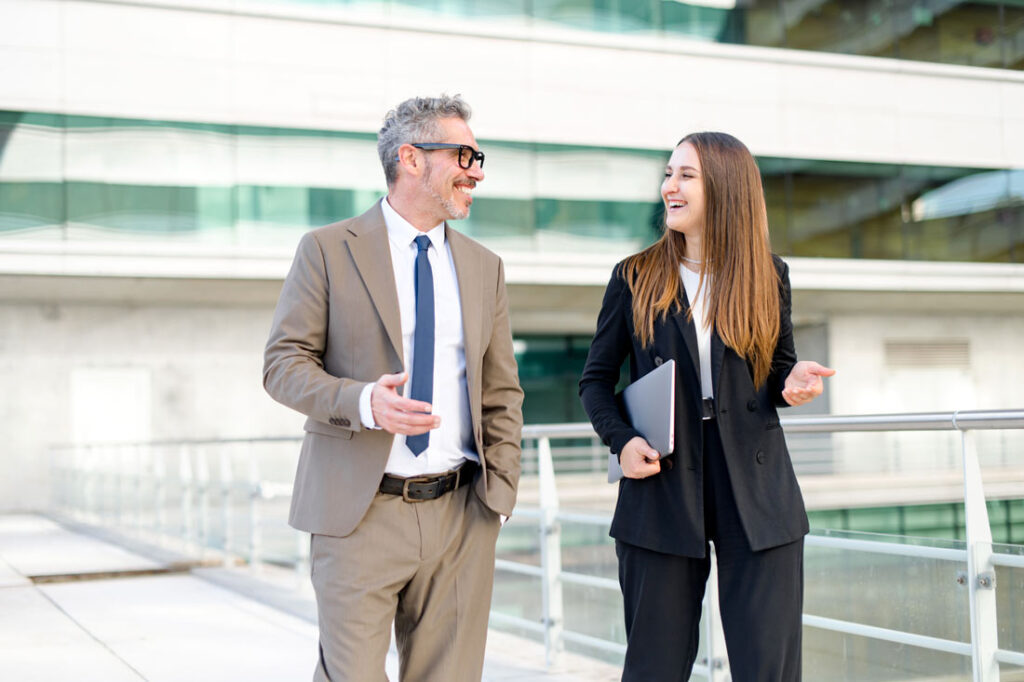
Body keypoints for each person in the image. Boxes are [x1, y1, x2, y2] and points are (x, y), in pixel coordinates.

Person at [263, 94, 523, 682]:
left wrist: (498, 499)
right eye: (464, 155)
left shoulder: (486, 267)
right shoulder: (327, 249)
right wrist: (364, 402)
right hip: (359, 514)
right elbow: (282, 363)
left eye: (480, 158)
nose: (476, 171)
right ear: (411, 158)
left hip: (462, 514)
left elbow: (502, 392)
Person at [579, 131, 834, 681]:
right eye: (668, 174)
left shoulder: (769, 274)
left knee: (769, 669)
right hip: (662, 484)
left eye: (684, 175)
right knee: (655, 667)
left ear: (724, 187)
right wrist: (621, 442)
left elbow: (777, 369)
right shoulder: (634, 276)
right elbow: (595, 382)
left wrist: (793, 383)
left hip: (758, 490)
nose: (668, 186)